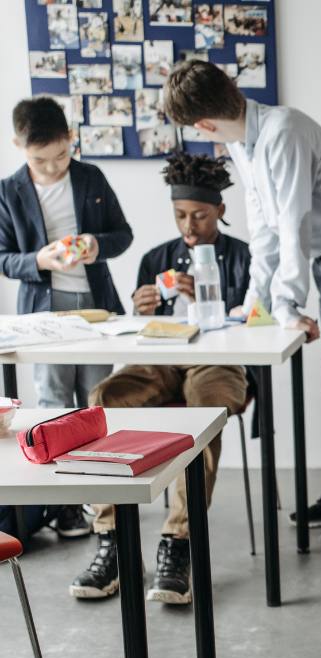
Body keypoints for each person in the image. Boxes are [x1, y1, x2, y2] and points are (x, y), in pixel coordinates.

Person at [161, 61, 321, 578]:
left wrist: (285, 304)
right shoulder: (243, 141)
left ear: (202, 125)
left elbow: (292, 220)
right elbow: (264, 230)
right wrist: (256, 302)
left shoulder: (284, 131)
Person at [70, 152, 250, 603]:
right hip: (162, 356)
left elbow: (258, 319)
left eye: (200, 216)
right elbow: (137, 333)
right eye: (180, 216)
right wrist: (143, 308)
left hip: (220, 360)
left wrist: (216, 299)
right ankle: (111, 539)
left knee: (204, 415)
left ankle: (179, 543)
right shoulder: (156, 257)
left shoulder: (245, 257)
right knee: (105, 397)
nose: (189, 226)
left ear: (220, 211)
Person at [0, 96, 133, 538]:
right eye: (43, 158)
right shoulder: (8, 190)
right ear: (19, 145)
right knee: (55, 406)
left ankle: (103, 501)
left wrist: (96, 245)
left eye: (62, 154)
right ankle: (66, 505)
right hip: (44, 312)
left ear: (71, 140)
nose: (55, 166)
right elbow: (4, 258)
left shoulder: (90, 176)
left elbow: (123, 234)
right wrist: (39, 259)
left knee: (96, 401)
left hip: (96, 309)